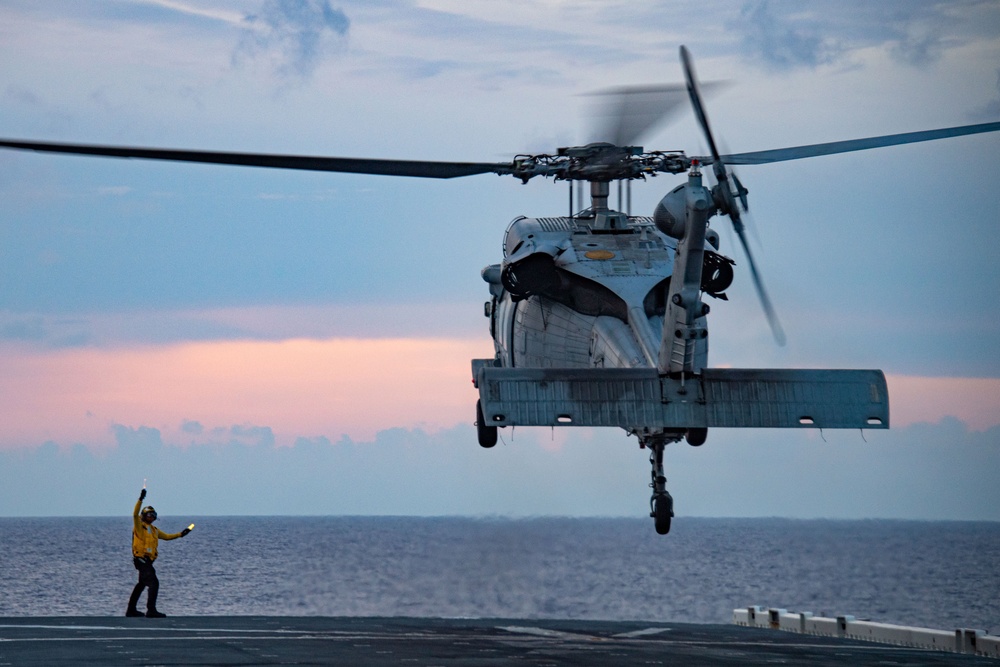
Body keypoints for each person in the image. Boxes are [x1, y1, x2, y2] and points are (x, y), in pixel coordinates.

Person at [126, 487, 192, 618]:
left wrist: (181, 534)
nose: (151, 517)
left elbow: (167, 537)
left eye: (153, 515)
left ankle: (131, 610)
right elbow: (134, 514)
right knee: (153, 583)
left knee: (142, 584)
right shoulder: (139, 527)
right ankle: (151, 610)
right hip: (141, 559)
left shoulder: (154, 530)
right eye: (149, 515)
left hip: (148, 561)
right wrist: (140, 499)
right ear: (144, 516)